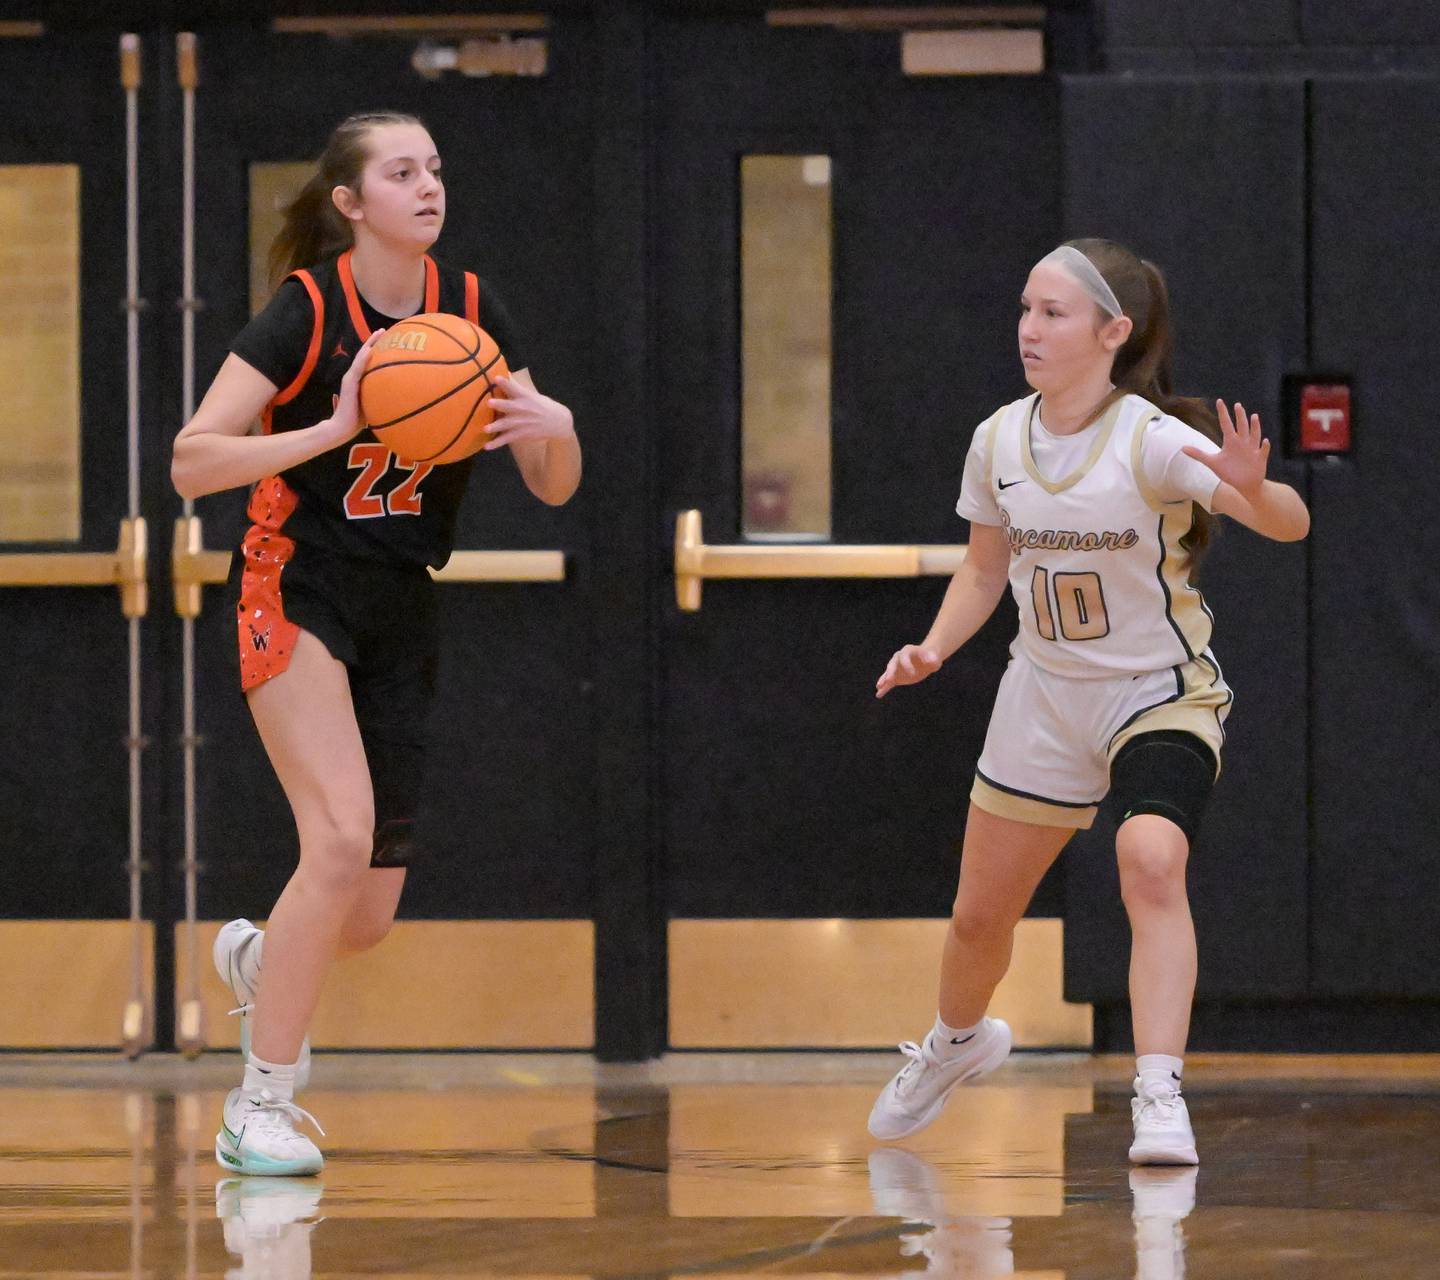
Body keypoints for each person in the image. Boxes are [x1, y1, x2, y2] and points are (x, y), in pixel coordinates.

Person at [172, 111, 580, 1176]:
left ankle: (268, 953)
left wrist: (558, 431)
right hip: (295, 579)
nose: (428, 186)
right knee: (339, 836)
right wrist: (328, 427)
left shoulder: (472, 309)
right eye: (402, 173)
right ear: (352, 203)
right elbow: (191, 460)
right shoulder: (308, 309)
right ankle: (258, 1102)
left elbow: (552, 485)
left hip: (402, 594)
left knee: (365, 914)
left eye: (436, 168)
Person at [866, 239, 1308, 1165]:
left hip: (1156, 693)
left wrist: (1251, 483)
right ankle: (956, 1043)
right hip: (1044, 698)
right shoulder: (999, 439)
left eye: (1053, 313)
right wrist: (933, 648)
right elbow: (986, 570)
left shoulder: (1151, 438)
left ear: (1114, 332)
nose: (1029, 328)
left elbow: (1288, 521)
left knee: (1150, 858)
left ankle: (1158, 1091)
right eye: (1026, 308)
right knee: (980, 917)